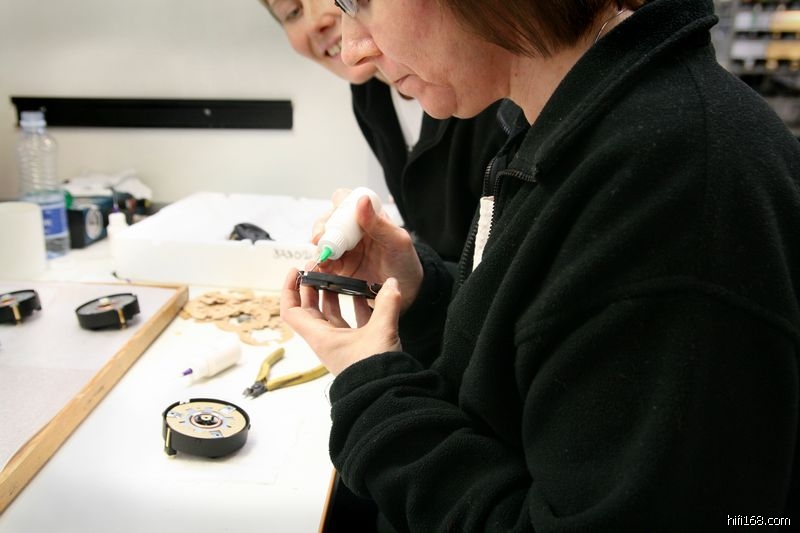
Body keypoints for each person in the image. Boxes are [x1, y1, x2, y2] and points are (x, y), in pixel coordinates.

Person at [281, 0, 800, 530]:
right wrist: (423, 296)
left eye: (360, 2)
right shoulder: (572, 121)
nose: (353, 50)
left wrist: (373, 394)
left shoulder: (670, 188)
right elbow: (532, 366)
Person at [260, 0, 513, 263]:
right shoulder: (369, 95)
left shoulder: (484, 95)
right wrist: (400, 262)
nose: (315, 23)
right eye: (292, 12)